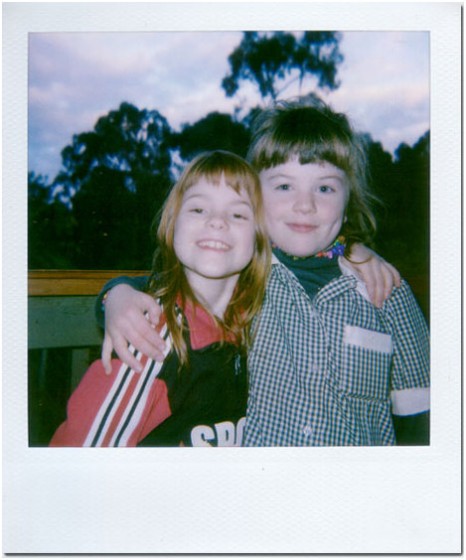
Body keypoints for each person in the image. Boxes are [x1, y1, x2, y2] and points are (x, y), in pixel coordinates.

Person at [97, 96, 429, 445]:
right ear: (255, 199)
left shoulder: (388, 291)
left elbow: (422, 418)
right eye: (284, 186)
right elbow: (166, 289)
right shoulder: (241, 274)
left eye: (325, 188)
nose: (305, 205)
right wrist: (116, 294)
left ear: (348, 203)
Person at [50, 150, 271, 447]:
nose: (217, 221)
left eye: (238, 214)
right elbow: (83, 463)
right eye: (198, 209)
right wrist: (116, 293)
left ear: (259, 237)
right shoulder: (148, 337)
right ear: (172, 223)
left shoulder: (260, 324)